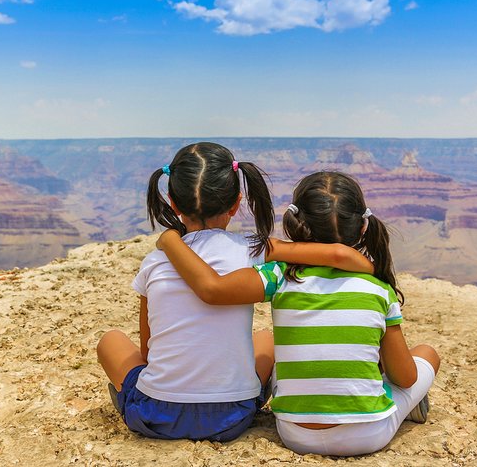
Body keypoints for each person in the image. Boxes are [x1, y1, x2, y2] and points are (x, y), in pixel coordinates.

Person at [96, 144, 373, 442]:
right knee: (265, 338)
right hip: (232, 417)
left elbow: (149, 353)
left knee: (110, 341)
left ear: (173, 203)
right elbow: (337, 255)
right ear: (236, 202)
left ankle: (131, 401)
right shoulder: (253, 250)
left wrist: (167, 241)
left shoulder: (154, 263)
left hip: (156, 416)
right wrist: (368, 268)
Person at [156, 171, 441, 456]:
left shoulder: (278, 276)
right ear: (363, 227)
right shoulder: (378, 288)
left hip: (295, 433)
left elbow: (215, 289)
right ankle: (397, 405)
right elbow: (405, 378)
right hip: (367, 435)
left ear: (296, 224)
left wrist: (170, 240)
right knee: (427, 354)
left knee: (277, 353)